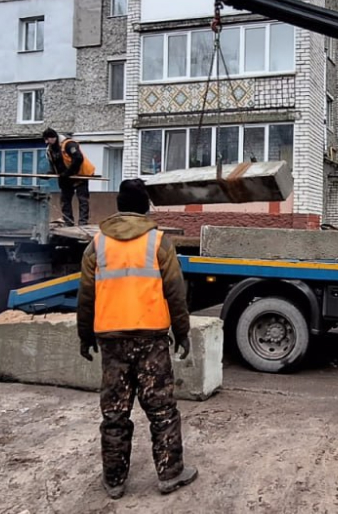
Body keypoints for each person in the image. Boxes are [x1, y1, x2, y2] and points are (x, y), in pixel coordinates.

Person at [76, 178, 198, 499]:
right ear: (145, 208)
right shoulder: (159, 243)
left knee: (115, 413)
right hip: (151, 340)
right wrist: (182, 332)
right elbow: (175, 293)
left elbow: (86, 296)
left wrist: (84, 335)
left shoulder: (97, 245)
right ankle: (170, 474)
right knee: (162, 410)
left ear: (119, 206)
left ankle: (114, 480)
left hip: (111, 341)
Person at [44, 128, 95, 226]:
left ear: (54, 137)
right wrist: (50, 174)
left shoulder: (69, 144)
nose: (46, 142)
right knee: (65, 199)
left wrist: (68, 172)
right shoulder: (50, 150)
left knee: (82, 199)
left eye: (47, 139)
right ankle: (68, 221)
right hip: (65, 178)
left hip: (80, 175)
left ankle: (83, 222)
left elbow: (78, 158)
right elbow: (55, 164)